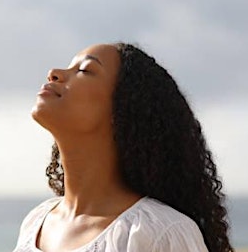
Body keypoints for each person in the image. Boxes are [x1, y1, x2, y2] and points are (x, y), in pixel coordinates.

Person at [13, 43, 233, 252]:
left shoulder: (159, 232)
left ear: (123, 111)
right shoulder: (36, 222)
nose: (54, 72)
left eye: (85, 70)